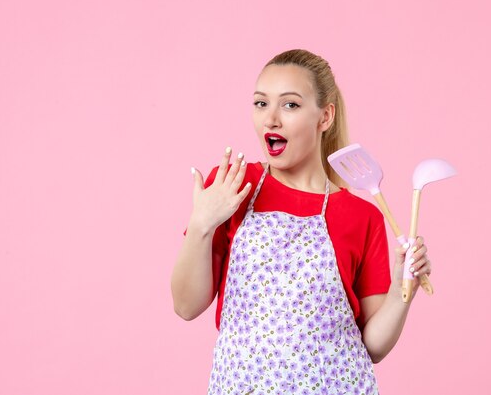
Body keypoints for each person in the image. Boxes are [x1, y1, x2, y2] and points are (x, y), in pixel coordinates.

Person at [171, 49, 432, 394]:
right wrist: (202, 223)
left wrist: (403, 289)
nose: (271, 120)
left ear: (325, 117)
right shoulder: (231, 186)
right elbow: (186, 306)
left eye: (290, 105)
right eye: (261, 103)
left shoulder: (362, 216)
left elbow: (374, 346)